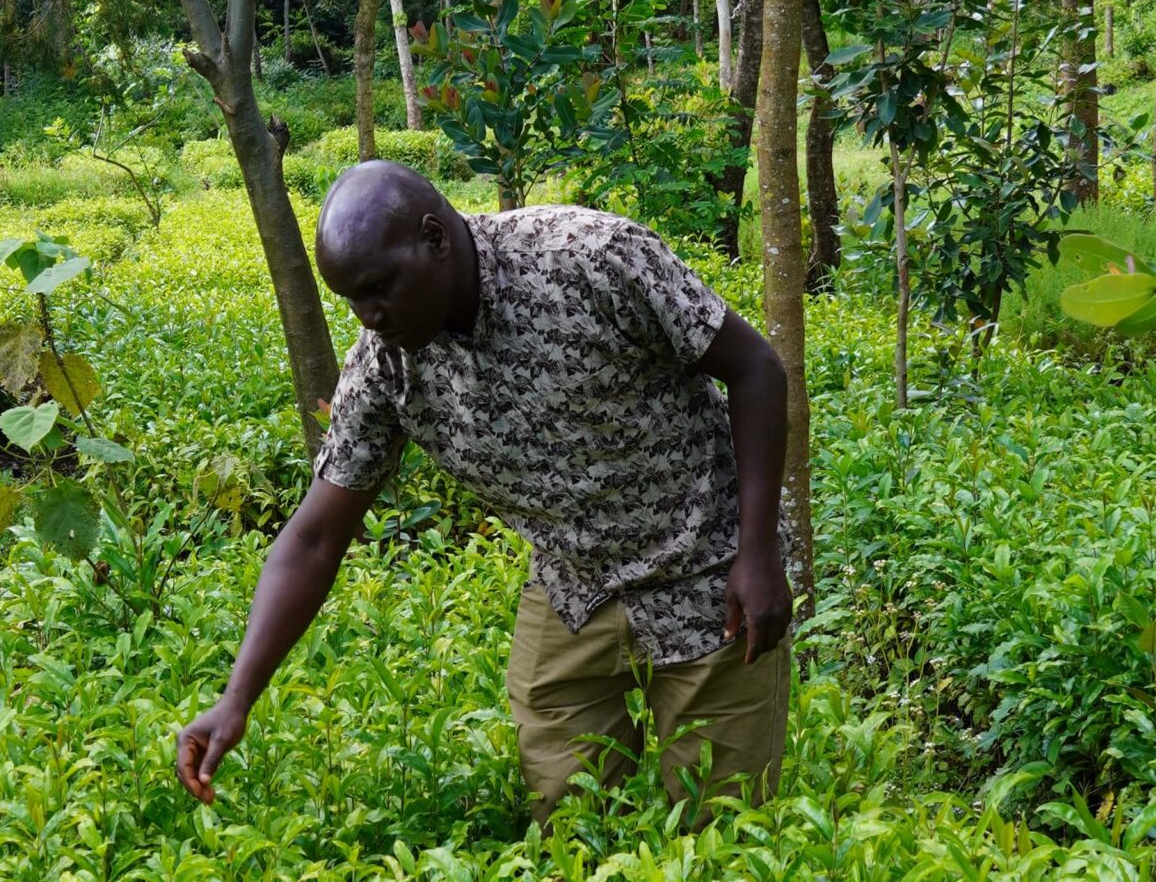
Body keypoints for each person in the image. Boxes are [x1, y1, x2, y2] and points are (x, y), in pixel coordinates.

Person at [174, 159, 793, 819]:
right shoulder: (387, 365)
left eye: (379, 286)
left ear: (436, 240)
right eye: (352, 298)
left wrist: (755, 553)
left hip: (705, 572)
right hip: (573, 586)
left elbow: (755, 367)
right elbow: (316, 536)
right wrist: (237, 697)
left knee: (724, 824)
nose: (369, 314)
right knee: (566, 818)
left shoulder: (590, 258)